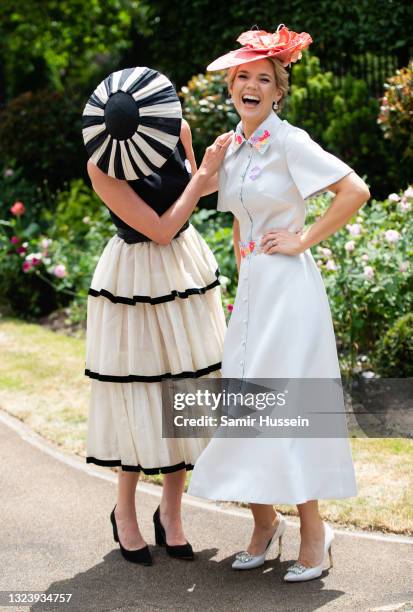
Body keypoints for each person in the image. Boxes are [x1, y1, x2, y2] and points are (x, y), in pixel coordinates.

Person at [188, 26, 370, 582]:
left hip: (290, 293)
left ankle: (316, 531)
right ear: (230, 87)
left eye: (263, 79)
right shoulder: (234, 147)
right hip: (254, 295)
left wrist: (303, 239)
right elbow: (241, 220)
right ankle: (265, 524)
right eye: (243, 76)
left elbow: (354, 191)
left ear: (277, 92)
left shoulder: (289, 140)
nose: (251, 85)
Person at [81, 66, 232, 565]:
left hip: (184, 271)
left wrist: (212, 169)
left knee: (185, 389)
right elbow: (161, 227)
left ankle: (171, 511)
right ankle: (124, 511)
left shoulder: (177, 129)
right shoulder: (101, 165)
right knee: (139, 390)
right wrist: (204, 174)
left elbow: (195, 193)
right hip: (136, 277)